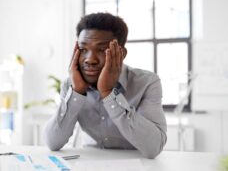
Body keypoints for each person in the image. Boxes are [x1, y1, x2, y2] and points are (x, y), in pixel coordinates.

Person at [44, 12, 167, 159]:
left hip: (135, 164)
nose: (90, 60)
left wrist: (108, 93)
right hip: (91, 163)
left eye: (102, 50)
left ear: (122, 53)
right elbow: (53, 142)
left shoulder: (147, 83)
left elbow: (154, 147)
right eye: (83, 49)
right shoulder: (72, 84)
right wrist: (77, 92)